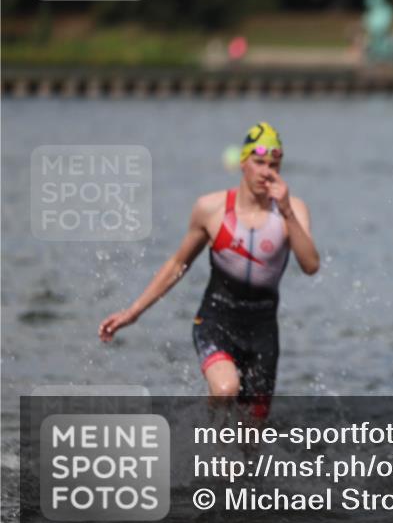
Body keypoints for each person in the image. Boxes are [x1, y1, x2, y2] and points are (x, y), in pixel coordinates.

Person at [99, 122, 320, 420]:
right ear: (243, 163)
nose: (266, 172)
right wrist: (133, 312)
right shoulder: (211, 209)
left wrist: (287, 211)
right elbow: (178, 264)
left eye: (274, 165)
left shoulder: (292, 210)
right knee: (226, 389)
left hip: (263, 331)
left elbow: (310, 265)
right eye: (259, 163)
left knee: (251, 438)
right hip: (217, 320)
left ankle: (210, 443)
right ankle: (208, 430)